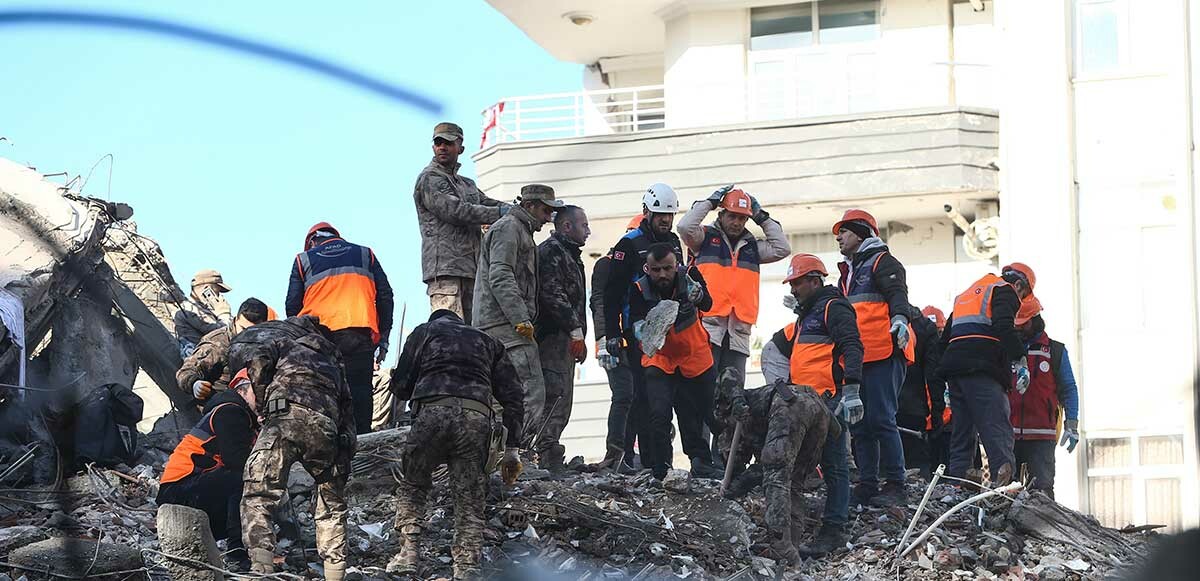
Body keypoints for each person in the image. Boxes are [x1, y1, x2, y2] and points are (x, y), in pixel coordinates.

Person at [385, 310, 525, 578]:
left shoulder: (424, 332)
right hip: (475, 418)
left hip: (431, 412)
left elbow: (401, 386)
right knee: (470, 497)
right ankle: (466, 567)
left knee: (414, 485)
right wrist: (512, 451)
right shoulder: (488, 341)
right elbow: (514, 396)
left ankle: (408, 555)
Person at [228, 316, 356, 580]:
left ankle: (261, 567)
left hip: (283, 418)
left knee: (259, 492)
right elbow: (348, 415)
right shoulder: (335, 364)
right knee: (330, 504)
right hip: (324, 425)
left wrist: (263, 402)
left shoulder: (285, 344)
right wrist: (342, 461)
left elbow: (257, 359)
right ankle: (335, 573)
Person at [761, 253, 864, 557]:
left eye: (797, 282)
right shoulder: (808, 314)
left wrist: (852, 390)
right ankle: (799, 531)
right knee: (801, 466)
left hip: (828, 401)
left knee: (834, 464)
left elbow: (852, 346)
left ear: (815, 281)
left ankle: (833, 529)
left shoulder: (834, 307)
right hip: (806, 403)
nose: (793, 289)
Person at [599, 184, 684, 470]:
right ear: (647, 212)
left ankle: (660, 462)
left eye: (670, 215)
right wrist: (611, 333)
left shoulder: (673, 242)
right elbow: (611, 294)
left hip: (671, 334)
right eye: (660, 214)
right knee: (640, 398)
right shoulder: (629, 244)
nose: (665, 220)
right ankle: (634, 460)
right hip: (637, 332)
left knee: (665, 401)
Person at [832, 209, 914, 506]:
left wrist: (901, 319)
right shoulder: (850, 271)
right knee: (860, 424)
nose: (839, 236)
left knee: (880, 418)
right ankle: (867, 483)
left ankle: (896, 484)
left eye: (844, 231)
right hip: (860, 356)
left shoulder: (882, 261)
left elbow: (897, 293)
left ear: (862, 232)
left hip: (883, 351)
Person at [716, 368, 837, 565]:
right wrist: (738, 484)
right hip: (817, 409)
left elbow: (728, 371)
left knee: (777, 480)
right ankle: (792, 546)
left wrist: (737, 399)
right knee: (794, 483)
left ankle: (781, 549)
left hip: (789, 406)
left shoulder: (740, 412)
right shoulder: (748, 429)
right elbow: (756, 468)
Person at [473, 184, 562, 449]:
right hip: (506, 327)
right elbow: (500, 275)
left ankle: (498, 455)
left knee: (503, 396)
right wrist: (520, 319)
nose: (549, 218)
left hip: (497, 325)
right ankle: (517, 453)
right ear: (530, 205)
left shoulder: (515, 230)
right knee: (530, 390)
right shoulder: (510, 228)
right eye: (546, 210)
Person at [286, 221, 394, 435]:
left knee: (323, 391)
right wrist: (383, 337)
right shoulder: (365, 254)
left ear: (312, 241)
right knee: (360, 391)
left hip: (318, 338)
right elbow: (385, 296)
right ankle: (361, 442)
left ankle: (328, 442)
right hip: (359, 333)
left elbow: (292, 305)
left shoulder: (303, 259)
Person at [627, 243, 722, 480]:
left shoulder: (690, 276)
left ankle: (709, 464)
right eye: (656, 270)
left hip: (695, 356)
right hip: (660, 359)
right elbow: (635, 324)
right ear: (647, 269)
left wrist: (699, 295)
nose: (662, 275)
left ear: (675, 266)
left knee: (707, 414)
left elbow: (709, 305)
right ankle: (661, 470)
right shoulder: (639, 289)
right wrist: (645, 331)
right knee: (658, 414)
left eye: (667, 269)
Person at [677, 185, 790, 380]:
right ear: (721, 215)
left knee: (733, 395)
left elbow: (782, 248)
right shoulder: (703, 238)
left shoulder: (752, 247)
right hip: (707, 328)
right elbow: (684, 227)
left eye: (742, 218)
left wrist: (760, 216)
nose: (737, 222)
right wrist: (710, 203)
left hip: (738, 331)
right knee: (705, 390)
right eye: (732, 216)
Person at [938, 263, 1031, 487]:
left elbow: (944, 341)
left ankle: (957, 489)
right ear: (1018, 285)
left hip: (955, 371)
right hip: (982, 370)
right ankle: (1004, 491)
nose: (1019, 304)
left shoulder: (966, 295)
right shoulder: (1004, 290)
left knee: (962, 435)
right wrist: (1020, 360)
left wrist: (945, 380)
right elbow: (1003, 326)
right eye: (1023, 296)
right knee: (997, 431)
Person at [158, 369, 259, 571]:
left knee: (245, 479)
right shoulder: (230, 411)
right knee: (243, 477)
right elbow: (236, 461)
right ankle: (237, 553)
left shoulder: (235, 413)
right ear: (244, 390)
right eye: (260, 391)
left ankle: (241, 549)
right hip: (180, 489)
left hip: (183, 488)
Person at [414, 122, 512, 323]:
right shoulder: (430, 179)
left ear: (461, 148)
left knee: (474, 332)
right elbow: (455, 211)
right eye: (438, 143)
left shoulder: (466, 184)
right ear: (433, 147)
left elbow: (488, 204)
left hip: (472, 271)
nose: (442, 147)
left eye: (448, 143)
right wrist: (503, 212)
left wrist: (520, 210)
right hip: (445, 271)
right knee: (450, 332)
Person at [534, 205, 590, 473]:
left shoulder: (569, 254)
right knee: (554, 394)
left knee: (562, 397)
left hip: (564, 339)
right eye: (584, 225)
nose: (588, 231)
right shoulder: (552, 252)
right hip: (552, 338)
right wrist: (574, 330)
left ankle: (549, 450)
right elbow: (552, 294)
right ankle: (542, 455)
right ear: (567, 226)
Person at [1009, 293, 1080, 498]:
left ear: (1035, 320)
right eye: (1016, 324)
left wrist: (1072, 424)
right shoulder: (1006, 350)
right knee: (1004, 493)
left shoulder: (1055, 351)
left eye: (1023, 323)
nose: (1019, 328)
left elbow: (1069, 388)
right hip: (1008, 434)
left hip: (1041, 435)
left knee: (1042, 492)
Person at [589, 216, 644, 472]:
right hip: (613, 341)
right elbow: (599, 302)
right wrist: (602, 339)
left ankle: (629, 457)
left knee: (635, 398)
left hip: (634, 342)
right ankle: (615, 454)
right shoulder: (607, 265)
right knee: (623, 396)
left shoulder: (639, 269)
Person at [176, 298, 270, 404]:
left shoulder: (264, 346)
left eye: (253, 331)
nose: (247, 335)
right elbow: (186, 371)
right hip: (215, 406)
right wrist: (194, 384)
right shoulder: (218, 342)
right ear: (236, 319)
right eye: (243, 329)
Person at [897, 304, 947, 480]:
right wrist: (937, 413)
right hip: (913, 411)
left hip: (879, 410)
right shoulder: (925, 328)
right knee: (917, 473)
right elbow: (933, 376)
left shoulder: (875, 319)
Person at [920, 305, 952, 472]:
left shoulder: (951, 357)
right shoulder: (915, 358)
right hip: (924, 424)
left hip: (946, 425)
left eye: (939, 332)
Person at [174, 269, 233, 357]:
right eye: (217, 292)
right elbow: (219, 333)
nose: (219, 296)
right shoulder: (189, 309)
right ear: (206, 290)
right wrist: (224, 313)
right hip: (196, 357)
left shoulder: (204, 309)